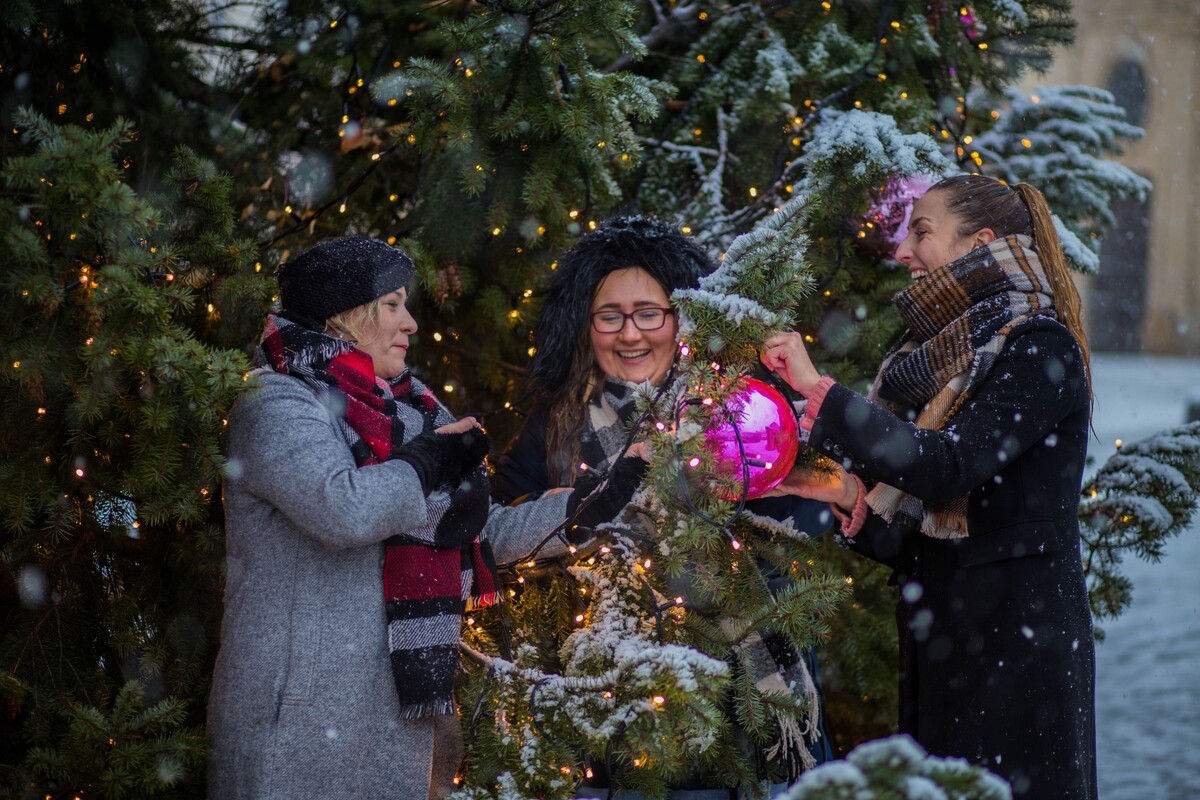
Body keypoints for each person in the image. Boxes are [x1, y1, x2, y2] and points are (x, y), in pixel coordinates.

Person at [207, 237, 640, 800]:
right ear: (343, 316)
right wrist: (429, 461)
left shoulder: (408, 410)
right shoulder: (276, 403)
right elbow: (344, 509)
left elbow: (478, 534)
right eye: (391, 304)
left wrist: (586, 505)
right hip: (299, 722)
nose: (409, 323)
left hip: (393, 713)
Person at [760, 175, 1097, 800]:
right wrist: (847, 496)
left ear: (982, 243)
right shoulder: (935, 354)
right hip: (949, 649)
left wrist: (819, 391)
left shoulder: (1037, 346)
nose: (902, 252)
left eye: (922, 232)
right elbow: (923, 532)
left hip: (1017, 664)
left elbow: (948, 465)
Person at [492, 215, 834, 796]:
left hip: (733, 696)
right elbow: (503, 525)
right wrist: (574, 507)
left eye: (650, 314)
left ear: (682, 320)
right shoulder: (559, 421)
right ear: (585, 324)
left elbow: (809, 515)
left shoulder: (740, 408)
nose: (630, 335)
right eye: (610, 316)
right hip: (601, 698)